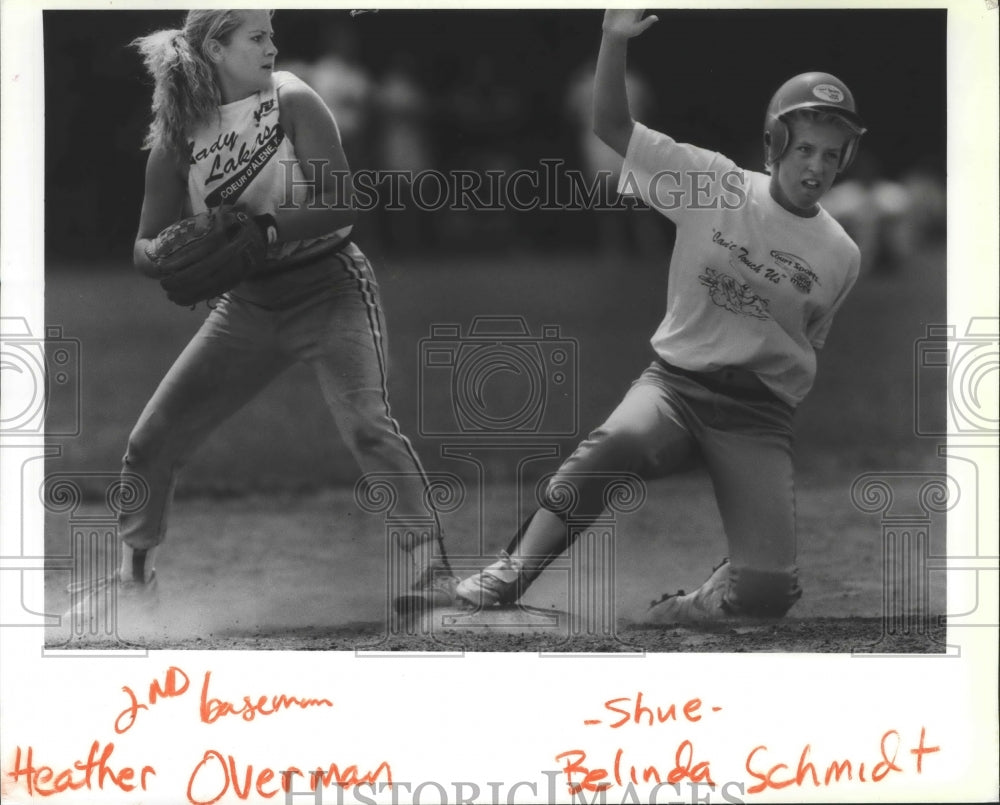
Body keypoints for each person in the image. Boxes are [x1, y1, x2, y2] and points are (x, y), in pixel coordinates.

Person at [455, 9, 865, 623]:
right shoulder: (714, 185)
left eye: (833, 155)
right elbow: (610, 125)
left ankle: (697, 602)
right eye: (804, 147)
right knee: (615, 441)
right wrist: (612, 38)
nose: (817, 167)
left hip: (757, 417)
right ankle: (511, 571)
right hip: (677, 387)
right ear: (774, 142)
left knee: (765, 598)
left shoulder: (842, 254)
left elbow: (807, 339)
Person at [67, 9, 456, 628]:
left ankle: (432, 572)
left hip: (331, 288)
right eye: (258, 36)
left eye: (272, 34)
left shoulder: (291, 100)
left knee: (368, 427)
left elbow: (343, 202)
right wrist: (167, 254)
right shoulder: (177, 134)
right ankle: (133, 583)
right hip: (247, 305)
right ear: (216, 49)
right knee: (151, 441)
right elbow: (143, 246)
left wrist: (264, 228)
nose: (273, 46)